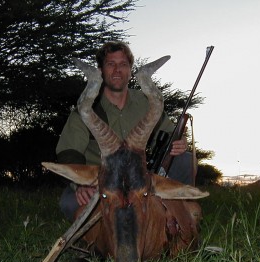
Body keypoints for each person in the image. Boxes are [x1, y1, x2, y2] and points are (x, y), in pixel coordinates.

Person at [56, 41, 195, 222]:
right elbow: (69, 152)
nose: (117, 70)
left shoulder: (146, 102)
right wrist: (81, 184)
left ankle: (179, 220)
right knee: (69, 203)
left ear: (130, 70)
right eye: (110, 64)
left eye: (123, 65)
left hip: (141, 180)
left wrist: (180, 142)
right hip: (102, 182)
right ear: (100, 70)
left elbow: (170, 134)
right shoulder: (88, 108)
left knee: (185, 160)